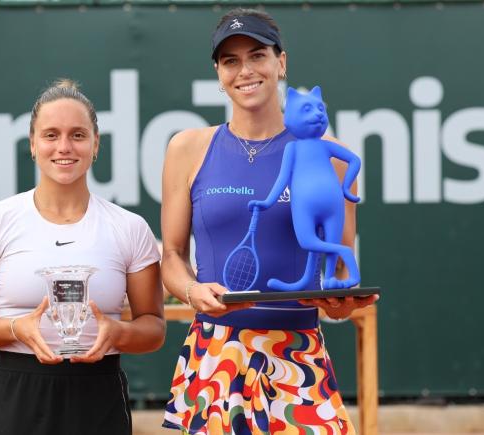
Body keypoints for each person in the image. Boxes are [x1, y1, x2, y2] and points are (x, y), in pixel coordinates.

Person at [160, 8, 378, 434]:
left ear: (282, 63)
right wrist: (191, 290)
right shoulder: (187, 148)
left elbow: (339, 267)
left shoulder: (330, 153)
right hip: (213, 357)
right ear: (219, 74)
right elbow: (170, 255)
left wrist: (339, 302)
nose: (246, 71)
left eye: (257, 55)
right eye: (231, 61)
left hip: (298, 355)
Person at [0, 79, 165, 435]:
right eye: (51, 135)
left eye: (78, 135)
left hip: (99, 394)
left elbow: (152, 328)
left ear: (96, 145)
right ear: (32, 144)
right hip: (17, 394)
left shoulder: (129, 227)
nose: (64, 147)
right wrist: (18, 328)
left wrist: (117, 332)